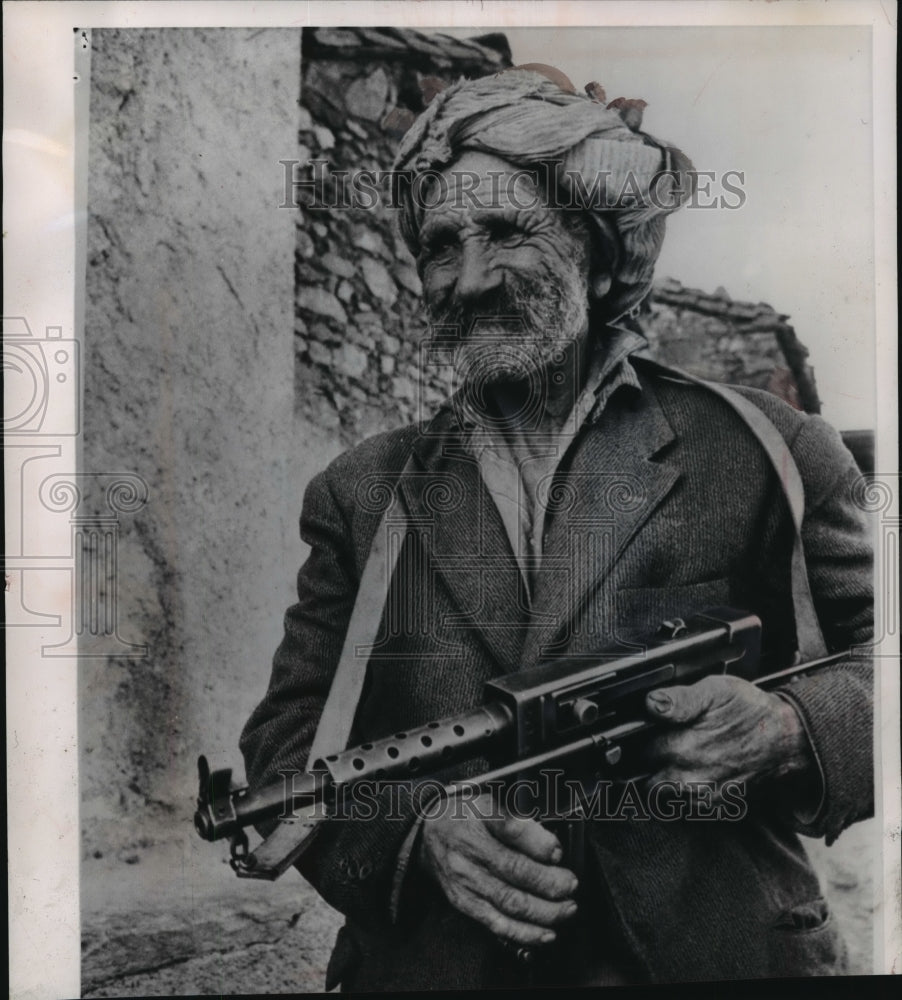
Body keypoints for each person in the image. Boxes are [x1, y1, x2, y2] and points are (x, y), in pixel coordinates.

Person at [240, 68, 873, 990]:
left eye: (506, 231)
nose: (471, 276)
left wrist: (788, 725)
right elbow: (288, 740)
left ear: (599, 252)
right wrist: (418, 835)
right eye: (441, 246)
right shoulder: (363, 493)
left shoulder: (771, 450)